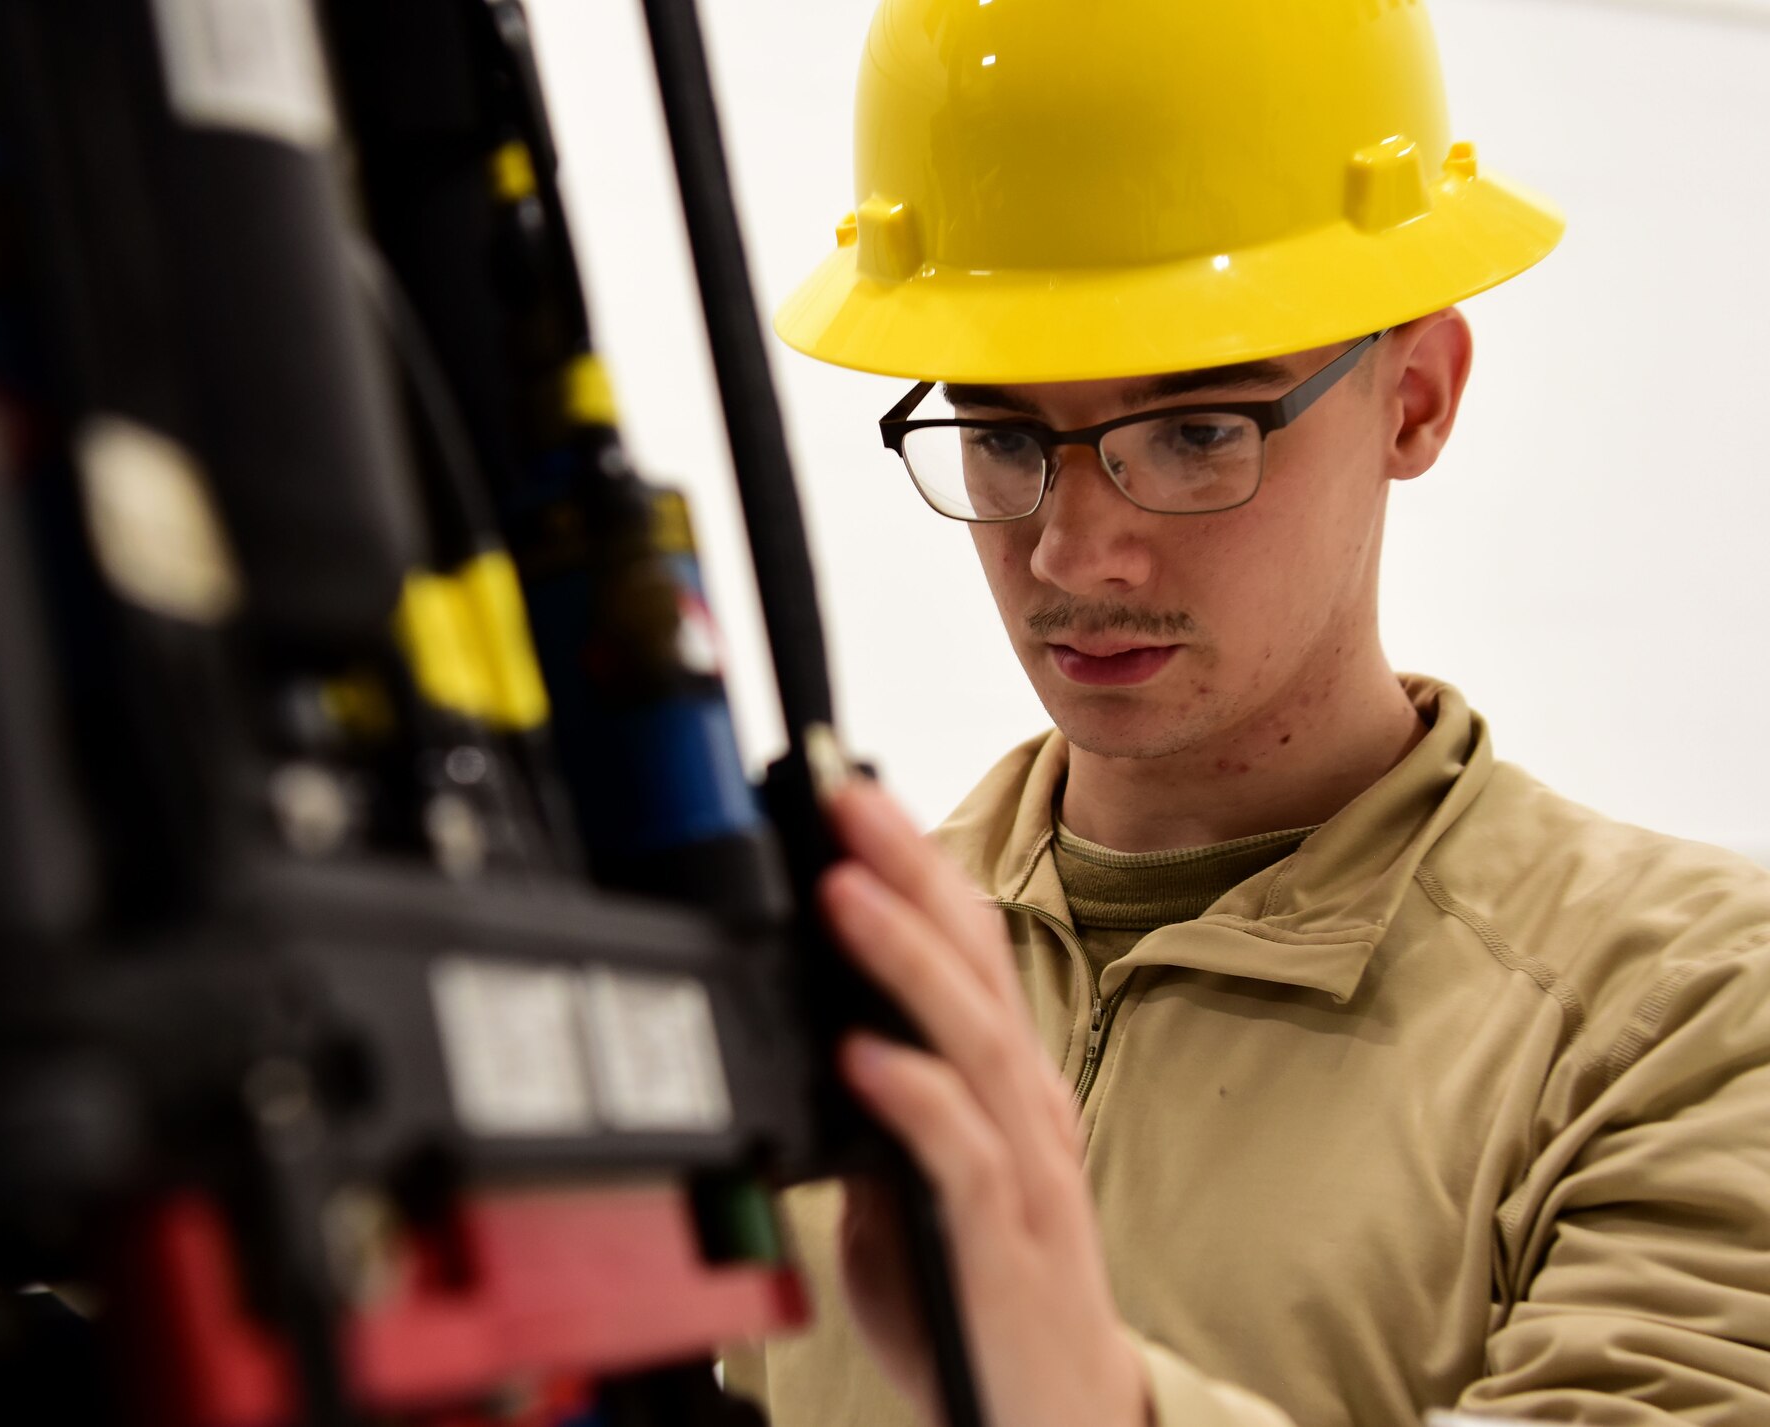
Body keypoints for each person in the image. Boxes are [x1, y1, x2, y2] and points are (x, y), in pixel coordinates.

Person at [720, 1, 1770, 1424]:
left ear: (1417, 398)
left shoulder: (1684, 1009)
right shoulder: (822, 980)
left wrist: (1090, 1400)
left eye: (1198, 429)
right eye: (1006, 435)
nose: (1071, 554)